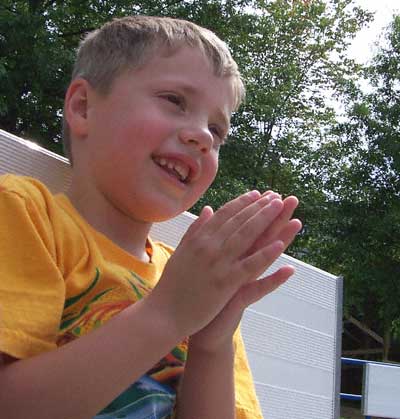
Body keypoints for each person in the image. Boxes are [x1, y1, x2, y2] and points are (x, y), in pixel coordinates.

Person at [0, 15, 302, 419]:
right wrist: (168, 315)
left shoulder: (198, 283)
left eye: (217, 129)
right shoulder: (26, 214)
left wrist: (213, 342)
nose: (203, 136)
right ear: (83, 107)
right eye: (175, 101)